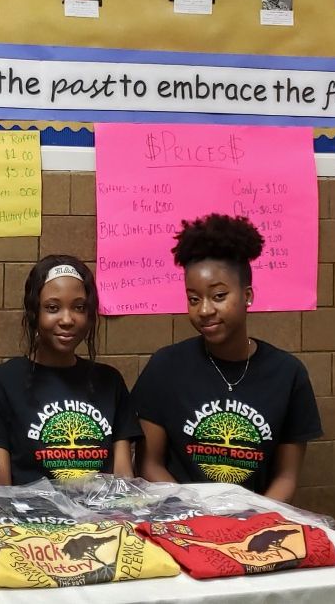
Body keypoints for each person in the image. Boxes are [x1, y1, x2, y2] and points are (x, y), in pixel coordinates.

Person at [133, 215, 321, 502]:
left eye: (219, 295)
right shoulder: (165, 368)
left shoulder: (287, 374)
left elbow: (286, 476)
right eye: (194, 299)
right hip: (181, 522)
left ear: (247, 295)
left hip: (253, 528)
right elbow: (149, 465)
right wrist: (196, 511)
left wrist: (253, 520)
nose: (204, 310)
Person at [0, 256, 140, 485]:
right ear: (34, 312)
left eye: (79, 307)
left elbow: (123, 481)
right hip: (29, 518)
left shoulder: (109, 381)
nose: (67, 319)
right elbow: (1, 491)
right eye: (53, 308)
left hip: (100, 518)